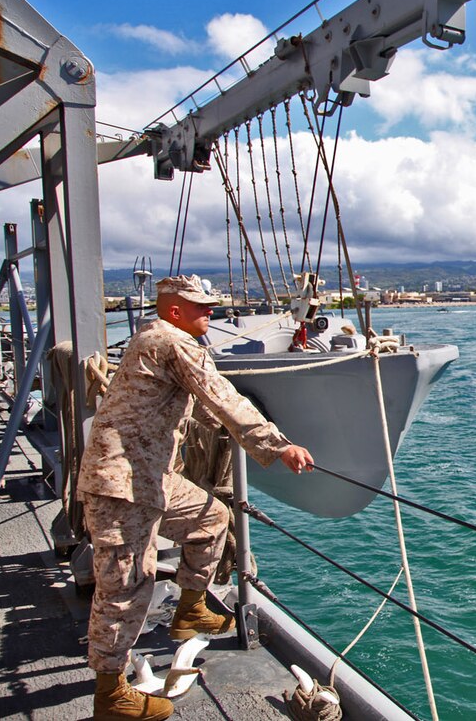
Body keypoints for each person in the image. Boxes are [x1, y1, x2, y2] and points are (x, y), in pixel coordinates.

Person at [77, 275, 314, 720]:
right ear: (173, 311)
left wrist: (246, 433)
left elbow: (201, 407)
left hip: (149, 475)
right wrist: (277, 444)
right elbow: (220, 395)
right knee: (125, 586)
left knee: (211, 518)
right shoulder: (173, 341)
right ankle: (110, 694)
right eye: (202, 308)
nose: (211, 313)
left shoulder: (153, 338)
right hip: (121, 482)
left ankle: (189, 609)